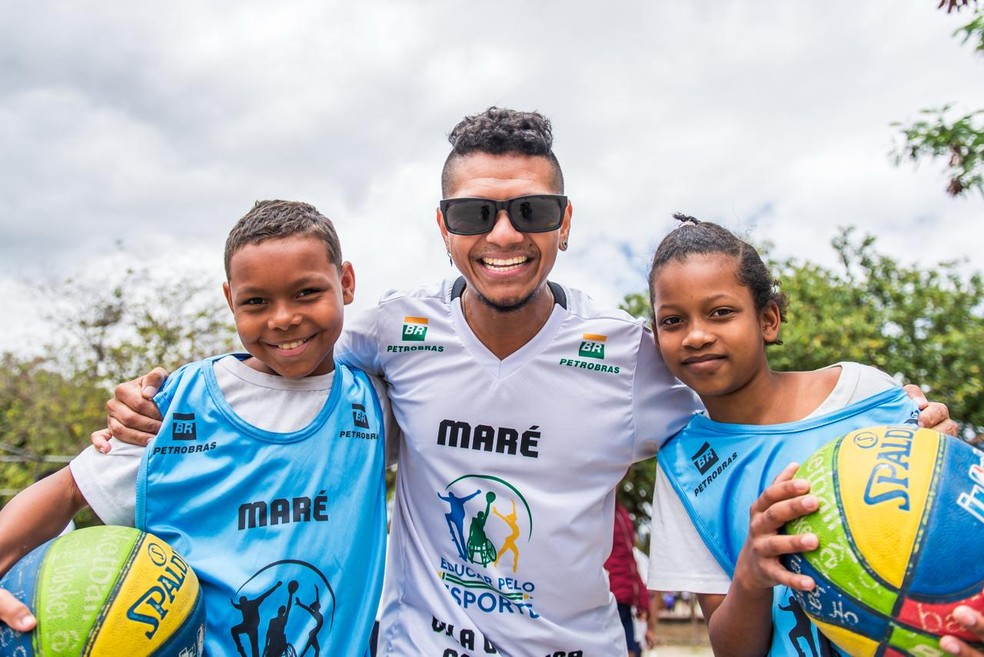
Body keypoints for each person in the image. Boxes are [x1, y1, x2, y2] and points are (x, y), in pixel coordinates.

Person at [71, 108, 958, 655]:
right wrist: (157, 399)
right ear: (444, 225)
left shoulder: (631, 352)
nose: (502, 233)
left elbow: (751, 405)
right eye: (474, 213)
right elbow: (279, 355)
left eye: (529, 211)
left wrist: (889, 422)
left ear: (564, 223)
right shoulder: (388, 331)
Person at [0, 200, 391, 656]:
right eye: (256, 301)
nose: (283, 317)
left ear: (345, 283)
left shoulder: (376, 401)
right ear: (230, 301)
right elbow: (69, 490)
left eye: (306, 293)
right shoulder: (173, 407)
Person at [644, 214, 983, 656]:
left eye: (721, 312)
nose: (696, 335)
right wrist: (751, 571)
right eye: (672, 321)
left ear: (768, 320)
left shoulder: (863, 393)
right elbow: (731, 650)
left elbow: (952, 512)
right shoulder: (683, 467)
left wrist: (948, 455)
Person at [605, 496, 650, 657]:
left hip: (625, 599)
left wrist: (642, 600)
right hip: (608, 596)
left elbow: (630, 561)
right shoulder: (596, 510)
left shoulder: (622, 514)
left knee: (632, 650)